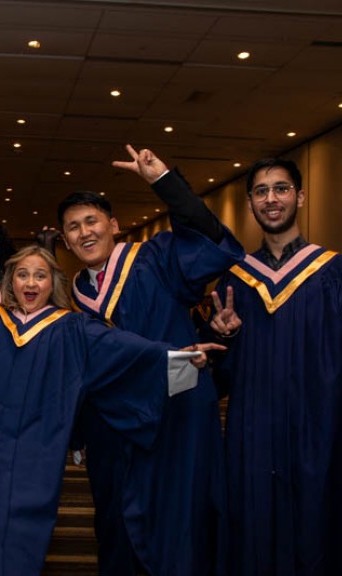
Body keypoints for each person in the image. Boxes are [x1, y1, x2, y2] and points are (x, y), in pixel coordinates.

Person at [0, 238, 222, 576]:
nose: (31, 283)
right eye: (23, 275)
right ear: (11, 281)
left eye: (40, 275)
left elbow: (127, 352)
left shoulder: (73, 329)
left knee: (22, 539)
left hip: (35, 455)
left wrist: (182, 359)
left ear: (53, 283)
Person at [57, 145, 244, 575]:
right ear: (64, 239)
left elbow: (209, 239)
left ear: (113, 225)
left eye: (91, 221)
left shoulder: (154, 258)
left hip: (177, 410)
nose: (84, 232)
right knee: (117, 522)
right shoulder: (68, 297)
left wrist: (164, 182)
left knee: (183, 520)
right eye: (73, 227)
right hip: (111, 427)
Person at [208, 160, 342, 574]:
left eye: (282, 189)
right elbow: (219, 372)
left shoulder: (337, 273)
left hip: (321, 425)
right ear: (250, 203)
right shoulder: (234, 281)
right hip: (253, 429)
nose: (271, 199)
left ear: (300, 197)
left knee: (320, 519)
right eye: (261, 191)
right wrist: (223, 336)